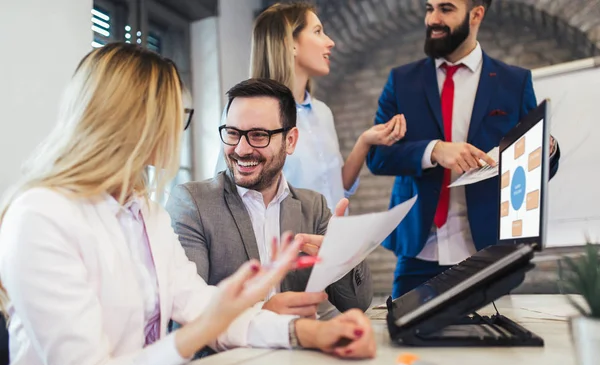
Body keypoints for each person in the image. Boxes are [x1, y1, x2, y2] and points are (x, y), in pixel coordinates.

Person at [0, 43, 376, 365]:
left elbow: (199, 303)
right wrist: (210, 322)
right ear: (133, 122)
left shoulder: (144, 212)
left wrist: (311, 333)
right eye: (175, 116)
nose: (175, 131)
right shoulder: (41, 216)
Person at [366, 0, 561, 298]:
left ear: (476, 14)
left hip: (487, 253)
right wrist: (434, 151)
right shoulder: (402, 81)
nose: (432, 18)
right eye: (429, 8)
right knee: (403, 340)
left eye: (445, 9)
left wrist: (547, 150)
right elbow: (378, 158)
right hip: (418, 252)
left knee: (488, 343)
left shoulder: (514, 82)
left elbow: (531, 165)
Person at [167, 78, 372, 321]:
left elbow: (357, 303)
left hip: (299, 355)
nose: (241, 149)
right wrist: (262, 315)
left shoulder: (313, 207)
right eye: (232, 133)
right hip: (229, 358)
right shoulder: (193, 203)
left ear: (290, 141)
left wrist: (343, 256)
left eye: (258, 135)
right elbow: (185, 315)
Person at [214, 2, 406, 212]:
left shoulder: (322, 112)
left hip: (334, 239)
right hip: (288, 243)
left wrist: (364, 142)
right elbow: (231, 199)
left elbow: (335, 188)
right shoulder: (244, 114)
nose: (330, 42)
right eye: (318, 32)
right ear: (291, 44)